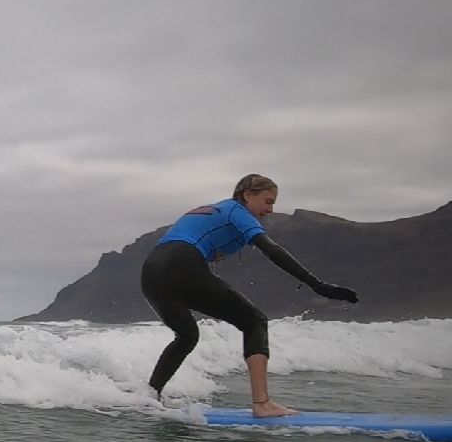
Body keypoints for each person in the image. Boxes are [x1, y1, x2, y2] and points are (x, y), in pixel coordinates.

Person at [141, 174, 358, 417]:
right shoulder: (237, 210)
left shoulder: (215, 210)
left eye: (273, 203)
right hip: (181, 263)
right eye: (267, 201)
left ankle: (150, 397)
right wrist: (317, 284)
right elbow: (271, 250)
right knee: (254, 321)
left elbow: (205, 245)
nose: (270, 209)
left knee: (187, 335)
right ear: (247, 195)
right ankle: (262, 404)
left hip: (152, 273)